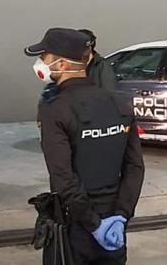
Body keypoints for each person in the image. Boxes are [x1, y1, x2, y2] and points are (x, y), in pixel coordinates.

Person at [25, 28, 145, 264]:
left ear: (63, 64)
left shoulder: (55, 110)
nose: (41, 63)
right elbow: (135, 167)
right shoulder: (119, 103)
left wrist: (93, 225)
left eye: (45, 57)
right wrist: (120, 217)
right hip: (114, 226)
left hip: (75, 227)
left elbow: (63, 177)